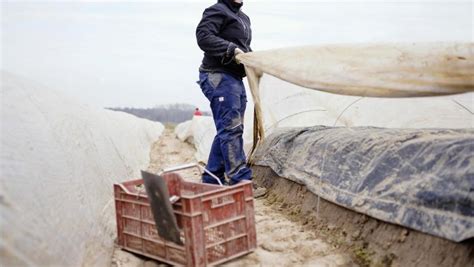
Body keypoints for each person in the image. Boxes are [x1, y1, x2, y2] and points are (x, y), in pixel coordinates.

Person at [195, 0, 252, 186]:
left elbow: (242, 48)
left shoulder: (243, 18)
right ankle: (240, 179)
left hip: (234, 78)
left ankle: (211, 178)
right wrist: (229, 49)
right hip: (217, 76)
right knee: (231, 128)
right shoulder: (217, 10)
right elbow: (203, 36)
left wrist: (253, 58)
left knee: (229, 128)